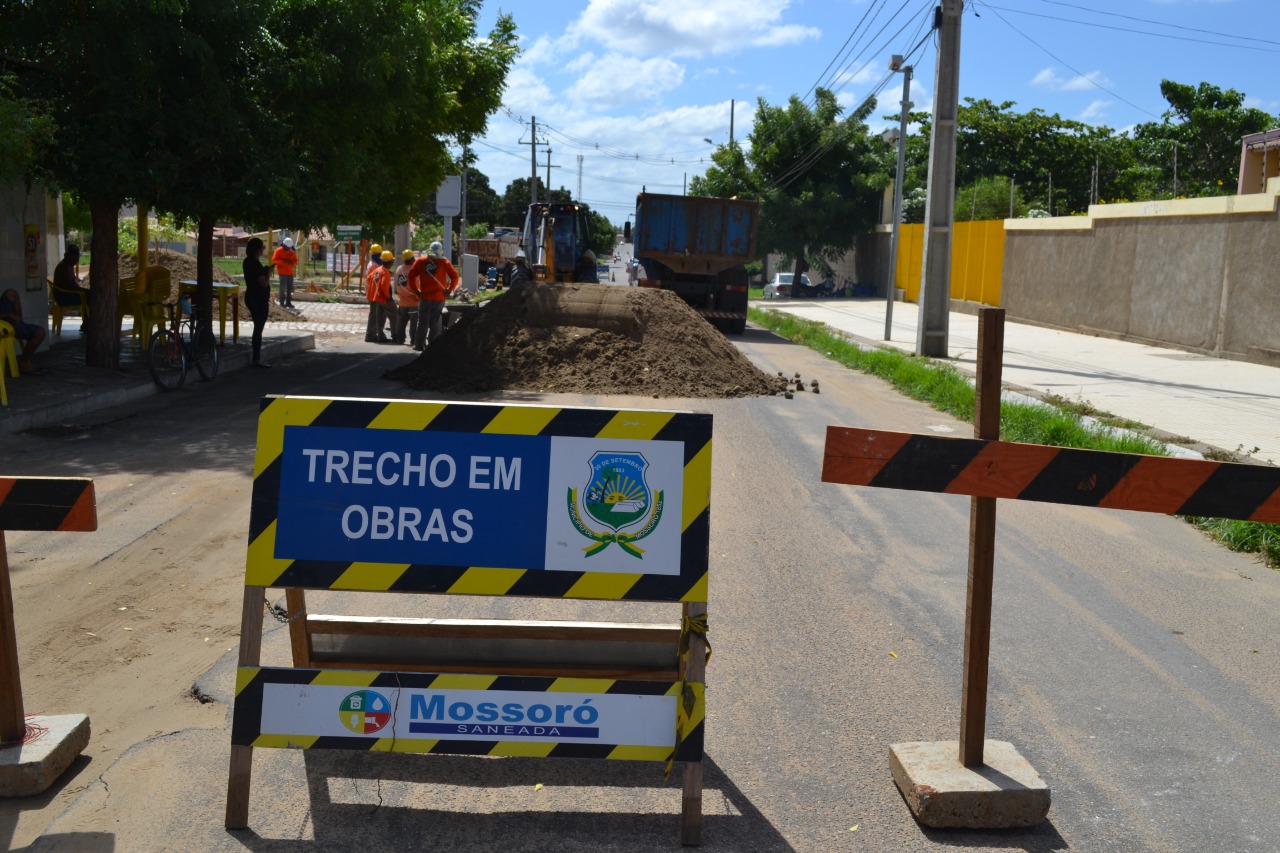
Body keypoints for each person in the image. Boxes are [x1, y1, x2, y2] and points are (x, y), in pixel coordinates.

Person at [408, 241, 459, 351]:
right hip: (439, 297)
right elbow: (455, 277)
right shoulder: (444, 262)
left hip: (424, 297)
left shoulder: (421, 261)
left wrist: (416, 290)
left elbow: (411, 276)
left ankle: (419, 344)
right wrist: (449, 289)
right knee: (436, 321)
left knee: (422, 321)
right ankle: (433, 346)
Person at [0, 287, 46, 374]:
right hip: (3, 325)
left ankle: (19, 322)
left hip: (9, 322)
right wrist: (8, 315)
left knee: (11, 293)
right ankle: (23, 363)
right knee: (39, 333)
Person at [242, 237, 271, 367]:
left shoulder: (248, 262)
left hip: (252, 297)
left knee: (257, 327)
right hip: (258, 299)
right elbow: (263, 283)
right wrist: (268, 273)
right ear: (258, 249)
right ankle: (257, 358)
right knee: (258, 328)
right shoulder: (254, 263)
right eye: (262, 248)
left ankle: (256, 357)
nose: (263, 250)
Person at [365, 250, 394, 343]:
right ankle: (392, 336)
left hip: (373, 296)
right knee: (390, 314)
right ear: (389, 262)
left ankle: (372, 335)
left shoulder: (377, 269)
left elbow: (369, 278)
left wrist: (373, 289)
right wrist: (388, 296)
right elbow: (384, 285)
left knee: (375, 316)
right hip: (380, 297)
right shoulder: (385, 272)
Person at [393, 249, 418, 346]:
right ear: (412, 259)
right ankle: (413, 340)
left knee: (401, 322)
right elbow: (418, 287)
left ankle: (400, 339)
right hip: (413, 302)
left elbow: (396, 286)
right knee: (414, 323)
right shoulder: (414, 271)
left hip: (402, 301)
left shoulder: (399, 269)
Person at [271, 237, 299, 308]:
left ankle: (288, 302)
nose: (288, 249)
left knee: (290, 288)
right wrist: (283, 261)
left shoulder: (291, 251)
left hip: (290, 272)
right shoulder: (278, 250)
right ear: (284, 245)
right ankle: (281, 302)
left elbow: (296, 261)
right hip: (282, 272)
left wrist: (293, 263)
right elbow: (274, 260)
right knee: (282, 288)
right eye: (287, 248)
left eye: (289, 248)